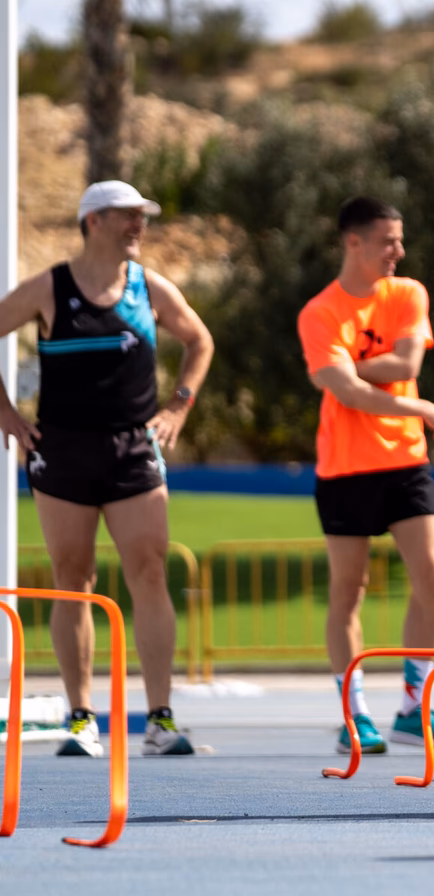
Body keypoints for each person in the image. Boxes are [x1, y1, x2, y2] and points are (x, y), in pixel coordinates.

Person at [0, 181, 212, 757]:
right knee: (73, 579)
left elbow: (200, 341)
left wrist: (179, 406)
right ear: (93, 221)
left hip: (133, 450)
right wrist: (8, 417)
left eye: (143, 216)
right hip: (62, 450)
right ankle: (80, 719)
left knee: (149, 572)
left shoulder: (149, 288)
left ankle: (160, 720)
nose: (139, 226)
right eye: (127, 216)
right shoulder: (50, 288)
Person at [299, 196, 434, 756]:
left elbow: (406, 364)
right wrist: (417, 406)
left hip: (405, 462)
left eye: (399, 239)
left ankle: (415, 706)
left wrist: (344, 371)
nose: (399, 250)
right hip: (345, 467)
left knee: (433, 573)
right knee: (348, 590)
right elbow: (345, 394)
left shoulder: (408, 293)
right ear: (354, 242)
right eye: (388, 241)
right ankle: (355, 714)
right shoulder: (320, 312)